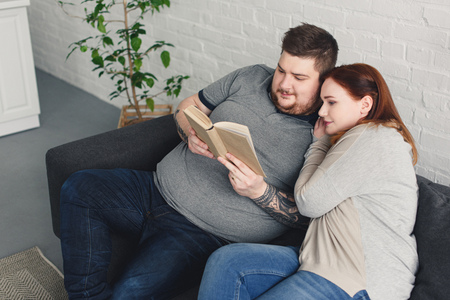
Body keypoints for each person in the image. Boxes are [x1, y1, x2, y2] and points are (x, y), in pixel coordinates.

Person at [59, 23, 338, 299]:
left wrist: (259, 191)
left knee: (127, 293)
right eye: (281, 70)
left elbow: (309, 216)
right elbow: (188, 105)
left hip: (202, 233)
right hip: (153, 189)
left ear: (324, 80)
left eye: (299, 78)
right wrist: (188, 132)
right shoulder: (251, 77)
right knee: (80, 186)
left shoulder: (324, 133)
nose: (284, 84)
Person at [197, 63, 419, 300]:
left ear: (365, 104)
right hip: (319, 259)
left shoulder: (375, 137)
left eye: (331, 102)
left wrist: (319, 142)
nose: (322, 112)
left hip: (360, 280)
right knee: (228, 261)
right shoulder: (359, 139)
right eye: (322, 102)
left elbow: (308, 202)